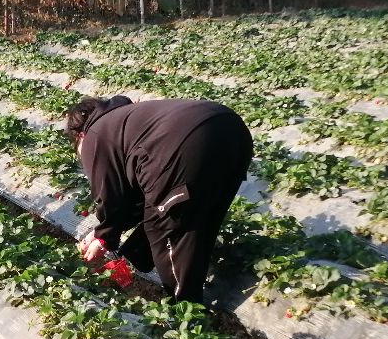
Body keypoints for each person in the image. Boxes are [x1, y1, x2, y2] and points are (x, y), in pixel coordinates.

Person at [67, 96, 253, 304]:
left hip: (187, 144)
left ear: (80, 134)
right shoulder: (125, 119)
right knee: (201, 217)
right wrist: (102, 232)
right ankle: (140, 257)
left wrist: (105, 238)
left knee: (164, 228)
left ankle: (186, 308)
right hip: (232, 129)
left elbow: (109, 195)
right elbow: (137, 198)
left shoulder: (94, 135)